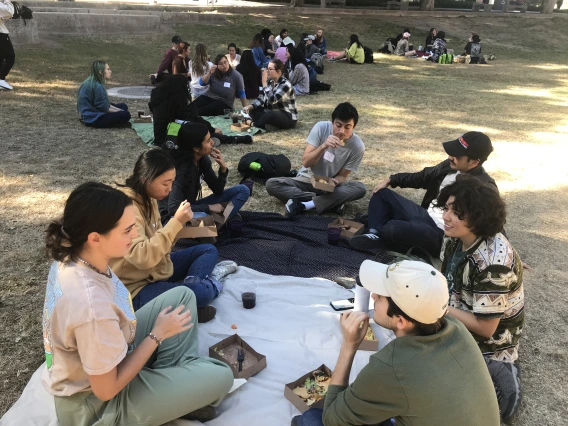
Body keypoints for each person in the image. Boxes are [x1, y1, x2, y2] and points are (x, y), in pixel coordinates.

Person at [42, 181, 234, 426]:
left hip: (113, 353)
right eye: (127, 230)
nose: (135, 236)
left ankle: (173, 389)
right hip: (97, 406)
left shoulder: (76, 256)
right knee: (222, 375)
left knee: (183, 297)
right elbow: (106, 390)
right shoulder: (91, 307)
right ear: (95, 238)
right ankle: (176, 392)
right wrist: (156, 335)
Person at [292, 259, 500, 426]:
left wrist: (349, 345)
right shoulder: (456, 327)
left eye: (380, 297)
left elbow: (332, 419)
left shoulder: (392, 366)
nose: (373, 295)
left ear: (401, 321)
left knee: (310, 420)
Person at [436, 176, 524, 424]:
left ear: (480, 217)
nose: (446, 217)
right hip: (456, 314)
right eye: (447, 208)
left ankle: (500, 368)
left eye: (457, 212)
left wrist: (439, 309)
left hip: (488, 342)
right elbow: (446, 278)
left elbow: (486, 328)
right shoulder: (456, 237)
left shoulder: (493, 263)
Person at [110, 149, 239, 318]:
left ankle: (191, 287)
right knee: (202, 294)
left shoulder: (149, 198)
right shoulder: (126, 209)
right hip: (134, 288)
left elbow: (163, 245)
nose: (170, 189)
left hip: (156, 270)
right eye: (165, 184)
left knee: (208, 249)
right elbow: (142, 256)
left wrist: (176, 228)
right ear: (145, 180)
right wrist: (176, 222)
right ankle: (210, 283)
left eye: (172, 182)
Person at [349, 131, 496, 258]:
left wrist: (505, 250)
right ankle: (374, 234)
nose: (451, 156)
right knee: (381, 194)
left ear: (474, 162)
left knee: (392, 227)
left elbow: (494, 223)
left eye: (458, 155)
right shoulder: (450, 165)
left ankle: (382, 230)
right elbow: (424, 176)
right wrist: (392, 179)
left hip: (442, 233)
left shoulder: (483, 188)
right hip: (425, 215)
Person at [265, 102, 366, 217]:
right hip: (308, 179)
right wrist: (324, 146)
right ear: (332, 122)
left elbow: (342, 176)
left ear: (354, 127)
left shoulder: (358, 146)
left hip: (328, 185)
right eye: (338, 125)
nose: (341, 131)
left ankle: (308, 204)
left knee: (360, 188)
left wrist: (335, 182)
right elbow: (306, 162)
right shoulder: (321, 127)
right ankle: (330, 202)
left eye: (347, 127)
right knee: (272, 184)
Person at [160, 121, 250, 222]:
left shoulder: (202, 160)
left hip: (191, 206)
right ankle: (215, 223)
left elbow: (218, 190)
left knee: (243, 190)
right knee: (203, 214)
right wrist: (209, 207)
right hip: (173, 217)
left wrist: (223, 169)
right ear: (196, 148)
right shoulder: (180, 169)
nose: (212, 142)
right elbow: (173, 208)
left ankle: (217, 222)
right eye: (207, 141)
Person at [149, 74, 252, 147]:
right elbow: (194, 118)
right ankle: (231, 139)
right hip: (169, 137)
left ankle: (209, 139)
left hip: (160, 135)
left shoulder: (159, 97)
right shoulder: (174, 103)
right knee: (198, 129)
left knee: (191, 126)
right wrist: (211, 129)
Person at [242, 59, 298, 132]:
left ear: (278, 72)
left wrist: (264, 83)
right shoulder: (270, 82)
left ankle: (254, 124)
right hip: (271, 112)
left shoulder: (285, 84)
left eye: (270, 69)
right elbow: (262, 98)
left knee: (270, 114)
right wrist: (250, 106)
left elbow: (272, 100)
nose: (267, 71)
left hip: (287, 116)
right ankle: (272, 126)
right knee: (253, 111)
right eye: (267, 68)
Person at [77, 60, 131, 128]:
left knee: (123, 106)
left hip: (91, 111)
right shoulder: (97, 86)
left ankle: (120, 113)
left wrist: (119, 110)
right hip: (94, 118)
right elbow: (103, 108)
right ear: (100, 72)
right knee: (126, 114)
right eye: (108, 69)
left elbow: (105, 104)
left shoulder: (91, 81)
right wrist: (120, 112)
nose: (110, 71)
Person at [0, 0, 15, 91]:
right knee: (10, 57)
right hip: (1, 34)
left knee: (1, 57)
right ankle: (1, 79)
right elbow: (10, 12)